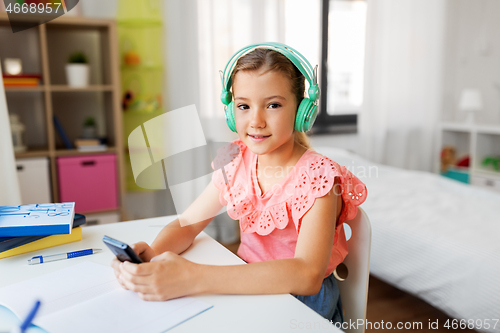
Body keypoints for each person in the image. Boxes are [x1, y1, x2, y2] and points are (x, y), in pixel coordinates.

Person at [112, 43, 367, 325]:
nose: (256, 121)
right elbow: (188, 223)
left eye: (273, 105)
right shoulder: (236, 161)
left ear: (301, 110)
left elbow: (306, 275)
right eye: (243, 106)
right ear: (232, 113)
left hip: (299, 304)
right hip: (245, 285)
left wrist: (192, 277)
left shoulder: (319, 177)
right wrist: (154, 251)